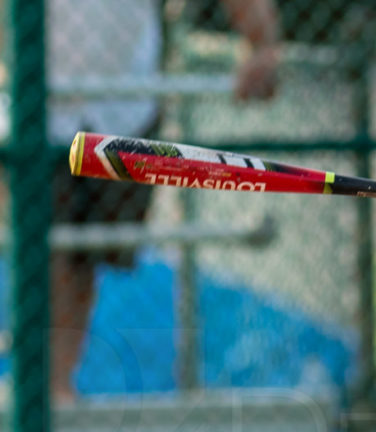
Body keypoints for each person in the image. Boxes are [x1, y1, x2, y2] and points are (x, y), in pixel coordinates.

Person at [46, 0, 281, 402]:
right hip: (40, 105)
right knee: (42, 248)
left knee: (84, 254)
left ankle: (56, 384)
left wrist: (262, 45)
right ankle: (43, 384)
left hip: (124, 105)